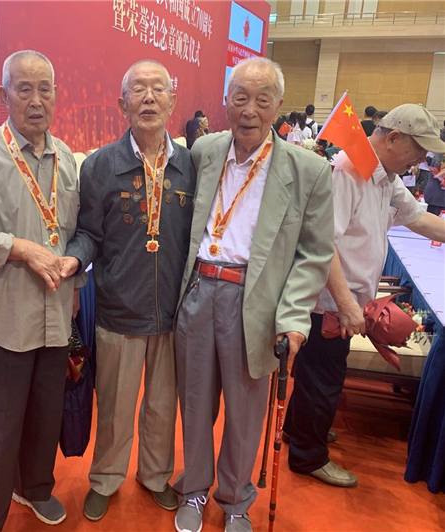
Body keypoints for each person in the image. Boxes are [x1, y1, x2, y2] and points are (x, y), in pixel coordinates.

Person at [173, 57, 334, 532]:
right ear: (226, 102)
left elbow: (314, 253)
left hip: (256, 303)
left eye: (262, 100)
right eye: (240, 98)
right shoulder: (204, 150)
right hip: (198, 291)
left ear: (278, 106)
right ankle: (194, 488)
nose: (250, 110)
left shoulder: (308, 170)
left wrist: (294, 317)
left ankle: (236, 500)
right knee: (195, 402)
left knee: (246, 413)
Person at [0, 50, 84, 532]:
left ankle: (35, 488)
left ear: (56, 95)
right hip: (2, 316)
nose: (36, 100)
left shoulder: (66, 157)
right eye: (24, 89)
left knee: (45, 416)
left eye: (45, 89)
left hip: (54, 312)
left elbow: (75, 231)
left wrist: (74, 275)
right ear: (3, 95)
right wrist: (21, 249)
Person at [284, 103, 445, 488]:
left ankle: (300, 429)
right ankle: (307, 455)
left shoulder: (386, 176)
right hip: (329, 304)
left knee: (316, 376)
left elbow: (417, 218)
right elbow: (324, 244)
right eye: (418, 150)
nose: (421, 160)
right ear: (393, 138)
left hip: (346, 302)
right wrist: (345, 304)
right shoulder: (348, 170)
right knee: (324, 379)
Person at [63, 59, 196, 521]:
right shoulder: (100, 165)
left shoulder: (189, 166)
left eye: (158, 89)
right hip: (118, 309)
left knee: (162, 406)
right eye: (138, 90)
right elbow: (88, 232)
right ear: (123, 105)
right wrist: (73, 261)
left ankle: (156, 476)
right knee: (115, 406)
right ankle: (105, 478)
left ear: (172, 102)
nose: (149, 98)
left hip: (173, 312)